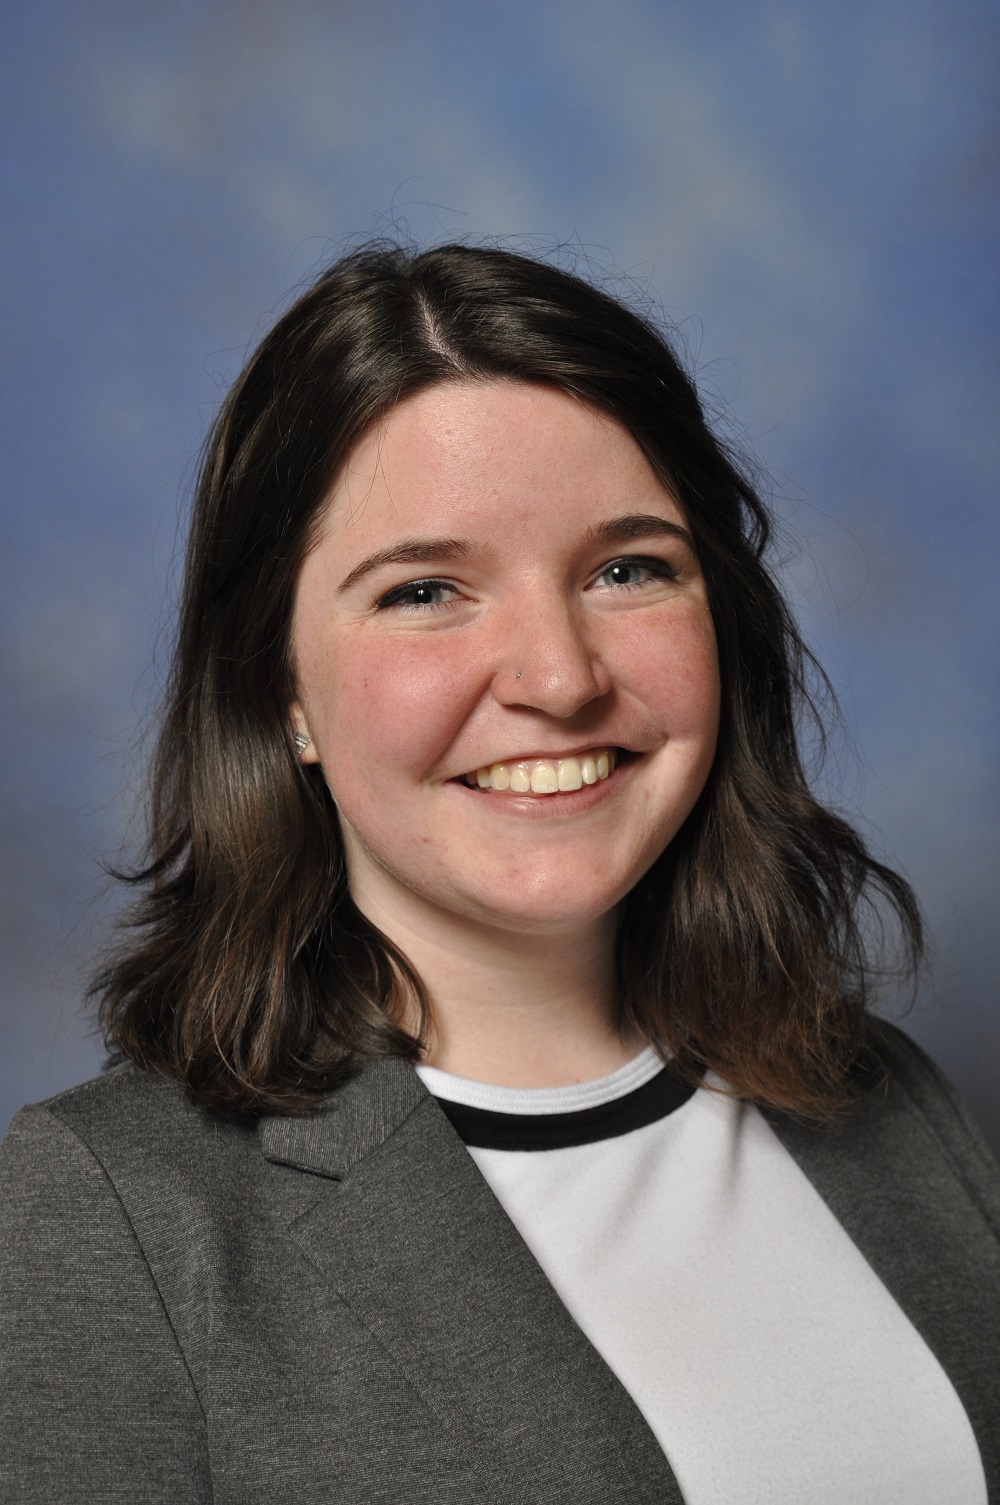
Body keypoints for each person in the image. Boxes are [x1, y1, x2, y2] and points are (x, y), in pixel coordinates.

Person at [1, 243, 998, 1505]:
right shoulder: (119, 1212)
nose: (560, 675)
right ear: (280, 690)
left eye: (627, 568)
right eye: (427, 590)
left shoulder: (888, 1104)